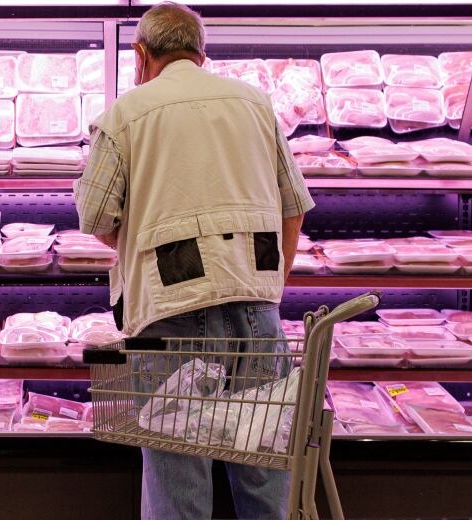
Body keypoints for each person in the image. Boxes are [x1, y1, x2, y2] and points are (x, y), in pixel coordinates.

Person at [75, 2, 314, 518]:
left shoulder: (125, 114)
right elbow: (293, 210)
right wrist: (267, 285)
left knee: (178, 481)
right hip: (258, 311)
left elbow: (94, 216)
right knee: (262, 469)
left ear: (141, 54)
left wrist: (144, 241)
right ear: (202, 54)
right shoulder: (255, 103)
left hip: (169, 315)